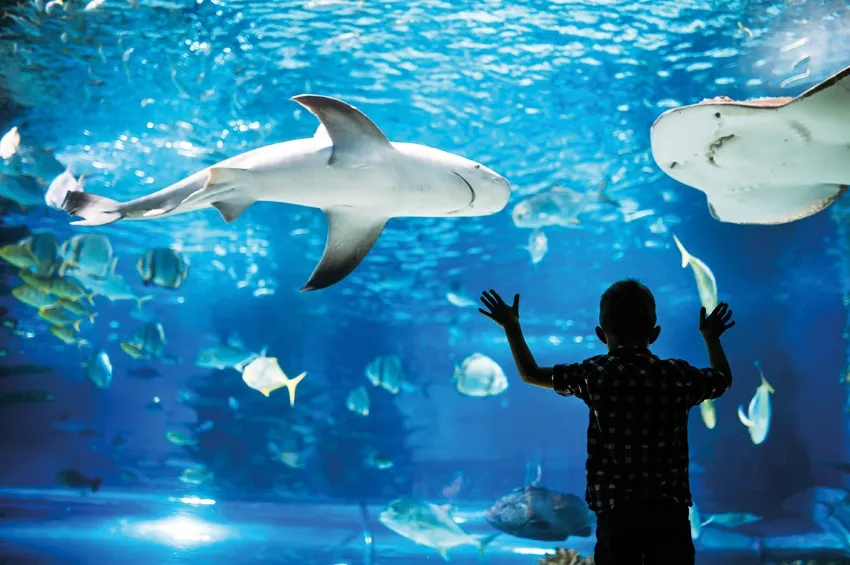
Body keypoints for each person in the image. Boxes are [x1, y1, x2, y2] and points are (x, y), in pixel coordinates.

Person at [478, 279, 735, 565]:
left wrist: (511, 326)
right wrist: (712, 337)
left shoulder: (595, 374)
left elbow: (531, 373)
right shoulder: (676, 375)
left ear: (601, 334)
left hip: (616, 511)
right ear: (655, 333)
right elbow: (722, 380)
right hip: (668, 510)